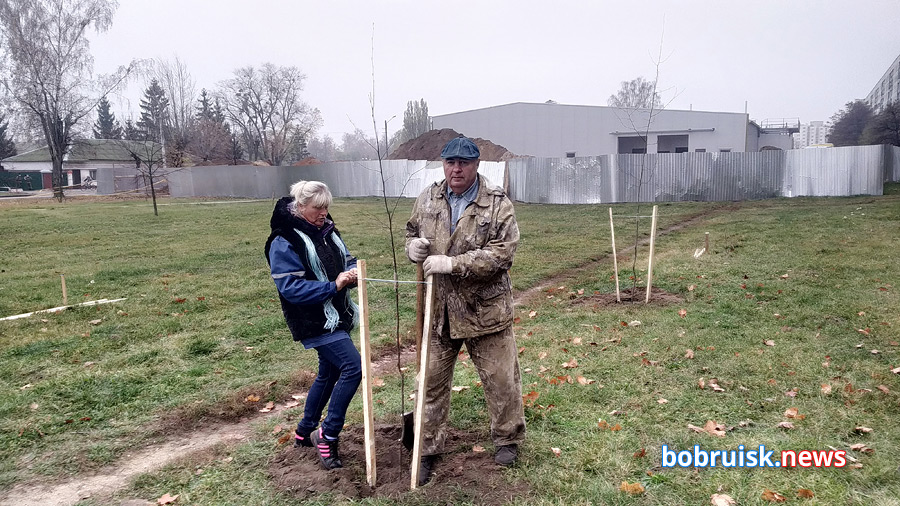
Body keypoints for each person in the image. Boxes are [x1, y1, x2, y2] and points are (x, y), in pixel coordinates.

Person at [405, 135, 526, 486]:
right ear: (443, 164)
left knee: (501, 380)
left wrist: (453, 263)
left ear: (476, 166)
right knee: (429, 384)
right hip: (439, 310)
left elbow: (503, 253)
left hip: (484, 311)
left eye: (464, 163)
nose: (456, 169)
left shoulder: (497, 204)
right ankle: (427, 448)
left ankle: (508, 439)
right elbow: (411, 229)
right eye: (450, 162)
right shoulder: (428, 197)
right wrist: (412, 245)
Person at [264, 180, 361, 470]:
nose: (324, 213)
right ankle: (327, 435)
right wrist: (333, 285)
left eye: (327, 207)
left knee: (330, 372)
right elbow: (291, 288)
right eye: (318, 208)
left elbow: (342, 257)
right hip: (313, 320)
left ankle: (304, 430)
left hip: (336, 315)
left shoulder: (326, 229)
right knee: (352, 367)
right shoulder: (284, 239)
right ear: (300, 207)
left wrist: (352, 269)